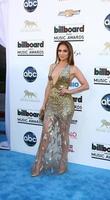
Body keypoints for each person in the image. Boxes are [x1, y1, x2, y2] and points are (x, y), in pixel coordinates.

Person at [31, 41, 89, 176]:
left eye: (65, 51)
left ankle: (63, 162)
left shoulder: (73, 68)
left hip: (65, 106)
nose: (61, 53)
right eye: (59, 50)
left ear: (69, 53)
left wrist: (70, 91)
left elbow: (86, 85)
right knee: (45, 134)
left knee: (64, 135)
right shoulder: (52, 66)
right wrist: (44, 104)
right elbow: (49, 87)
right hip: (51, 104)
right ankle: (39, 163)